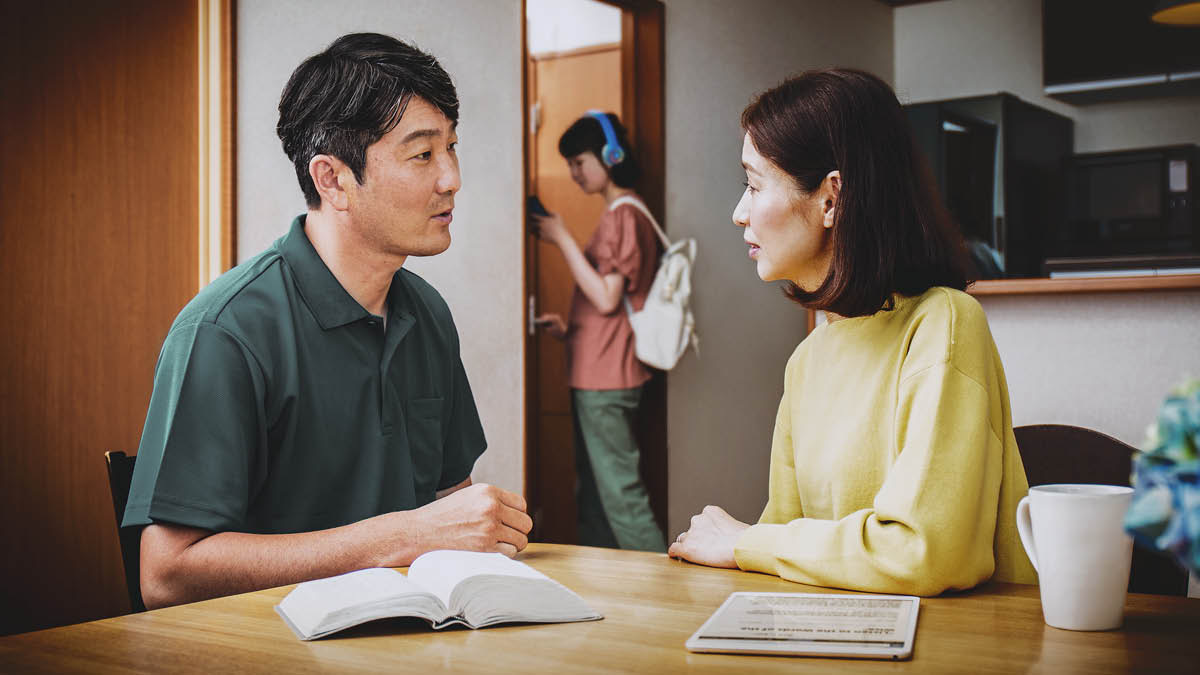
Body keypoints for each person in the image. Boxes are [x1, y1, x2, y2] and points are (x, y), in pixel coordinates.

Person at [122, 33, 532, 609]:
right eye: (422, 154)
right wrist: (402, 537)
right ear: (332, 179)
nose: (451, 179)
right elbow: (166, 576)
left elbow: (449, 512)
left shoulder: (427, 313)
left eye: (452, 148)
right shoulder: (225, 331)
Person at [668, 69, 1037, 595]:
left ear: (830, 198)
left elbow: (925, 551)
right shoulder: (808, 359)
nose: (738, 212)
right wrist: (748, 547)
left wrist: (744, 543)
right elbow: (783, 546)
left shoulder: (945, 324)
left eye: (752, 184)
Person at [530, 112, 666, 552]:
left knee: (619, 495)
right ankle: (612, 585)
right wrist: (570, 330)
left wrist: (562, 238)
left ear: (611, 156)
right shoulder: (622, 214)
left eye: (578, 161)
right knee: (595, 494)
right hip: (600, 372)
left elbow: (608, 299)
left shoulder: (623, 215)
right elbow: (611, 304)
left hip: (607, 379)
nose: (573, 173)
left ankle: (659, 595)